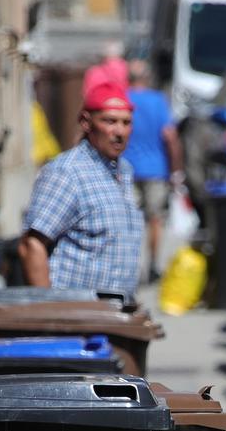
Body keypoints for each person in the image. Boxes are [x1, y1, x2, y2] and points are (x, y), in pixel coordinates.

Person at [18, 82, 144, 296]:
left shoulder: (125, 171)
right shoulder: (67, 172)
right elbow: (32, 245)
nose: (120, 131)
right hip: (76, 316)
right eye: (110, 121)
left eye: (126, 122)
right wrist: (49, 313)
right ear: (86, 122)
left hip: (116, 313)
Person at [122, 59, 184, 283]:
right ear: (147, 78)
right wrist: (176, 170)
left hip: (126, 169)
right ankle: (153, 265)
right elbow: (170, 137)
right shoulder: (158, 101)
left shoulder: (123, 99)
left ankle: (131, 266)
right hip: (156, 170)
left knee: (128, 220)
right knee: (155, 220)